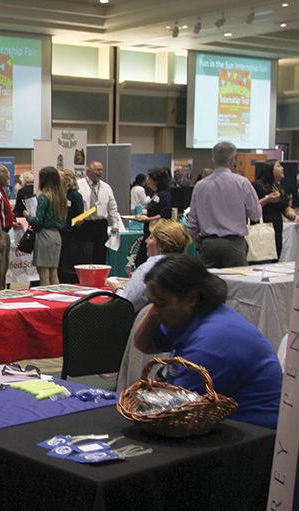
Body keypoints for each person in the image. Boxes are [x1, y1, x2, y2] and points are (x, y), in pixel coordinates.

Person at [134, 254, 281, 429]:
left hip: (255, 434)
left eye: (162, 304)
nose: (155, 311)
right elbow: (144, 344)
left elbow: (175, 413)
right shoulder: (191, 317)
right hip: (225, 425)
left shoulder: (212, 341)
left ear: (192, 299)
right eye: (153, 304)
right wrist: (157, 305)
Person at [186, 142, 261, 268]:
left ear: (213, 159)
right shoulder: (242, 183)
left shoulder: (200, 186)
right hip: (234, 245)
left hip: (208, 244)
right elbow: (256, 215)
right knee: (238, 284)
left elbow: (192, 221)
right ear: (233, 160)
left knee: (207, 285)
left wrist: (200, 243)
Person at [107, 219, 191, 312]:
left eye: (151, 238)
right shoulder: (186, 267)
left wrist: (117, 288)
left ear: (162, 245)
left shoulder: (148, 269)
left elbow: (126, 303)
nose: (146, 241)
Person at [26, 167, 67, 286]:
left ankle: (46, 298)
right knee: (54, 272)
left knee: (43, 273)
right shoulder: (62, 197)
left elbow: (38, 221)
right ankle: (56, 297)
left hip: (44, 235)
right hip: (56, 236)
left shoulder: (44, 197)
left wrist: (28, 216)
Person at [77, 160, 123, 264]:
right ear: (88, 171)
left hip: (100, 224)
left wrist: (115, 224)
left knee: (100, 256)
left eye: (101, 170)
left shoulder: (106, 187)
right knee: (84, 256)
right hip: (85, 225)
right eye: (97, 170)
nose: (100, 173)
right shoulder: (78, 185)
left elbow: (113, 207)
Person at [133, 168, 173, 267]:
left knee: (142, 261)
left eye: (149, 178)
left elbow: (166, 214)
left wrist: (148, 219)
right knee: (141, 261)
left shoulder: (165, 195)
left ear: (156, 180)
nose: (147, 181)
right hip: (148, 231)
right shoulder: (156, 194)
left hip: (156, 233)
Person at [253, 160, 289, 259]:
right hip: (263, 230)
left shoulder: (278, 187)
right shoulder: (257, 186)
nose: (282, 168)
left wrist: (295, 217)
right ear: (270, 170)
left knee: (276, 258)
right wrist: (268, 199)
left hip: (277, 230)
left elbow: (284, 208)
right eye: (278, 166)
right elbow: (251, 207)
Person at [58, 168, 87, 283]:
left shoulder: (75, 195)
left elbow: (79, 215)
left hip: (71, 233)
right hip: (60, 231)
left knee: (68, 259)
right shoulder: (60, 195)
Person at [0, 164, 15, 292]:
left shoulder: (0, 191)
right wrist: (0, 236)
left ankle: (0, 291)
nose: (8, 180)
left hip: (2, 231)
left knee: (3, 268)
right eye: (7, 177)